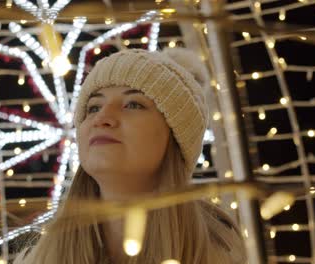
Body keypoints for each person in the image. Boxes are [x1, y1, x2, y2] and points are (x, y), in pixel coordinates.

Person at [14, 48, 247, 263]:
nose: (102, 118)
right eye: (93, 107)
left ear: (175, 136)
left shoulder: (224, 255)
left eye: (133, 104)